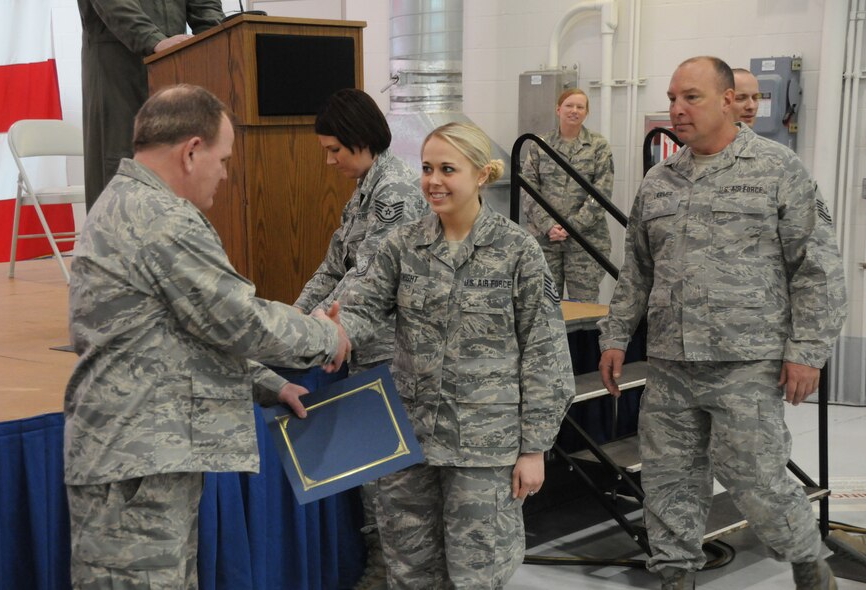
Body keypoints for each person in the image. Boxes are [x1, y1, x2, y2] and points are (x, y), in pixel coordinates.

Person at [64, 84, 351, 589]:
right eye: (222, 159)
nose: (223, 173)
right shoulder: (162, 218)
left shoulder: (129, 203)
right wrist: (327, 336)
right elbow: (239, 319)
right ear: (191, 151)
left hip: (139, 457)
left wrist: (270, 384)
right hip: (138, 463)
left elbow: (184, 332)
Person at [598, 56, 847, 590]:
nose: (677, 109)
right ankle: (674, 575)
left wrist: (807, 349)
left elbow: (818, 265)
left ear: (730, 100)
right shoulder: (659, 181)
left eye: (692, 97)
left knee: (757, 480)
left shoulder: (777, 169)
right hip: (669, 363)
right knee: (668, 480)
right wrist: (616, 335)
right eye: (671, 98)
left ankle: (809, 565)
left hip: (746, 362)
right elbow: (637, 269)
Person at [336, 122, 575, 588]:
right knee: (409, 569)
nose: (433, 181)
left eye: (448, 169)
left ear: (482, 174)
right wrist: (326, 331)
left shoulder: (517, 250)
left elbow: (545, 354)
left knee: (476, 572)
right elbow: (359, 310)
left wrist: (535, 448)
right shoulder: (402, 245)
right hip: (410, 440)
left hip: (484, 448)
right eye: (426, 169)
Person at [293, 87, 428, 590]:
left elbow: (365, 281)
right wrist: (295, 318)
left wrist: (309, 328)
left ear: (361, 139)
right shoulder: (365, 189)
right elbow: (332, 268)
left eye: (334, 149)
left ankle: (391, 573)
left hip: (385, 352)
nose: (329, 160)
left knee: (388, 481)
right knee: (370, 474)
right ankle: (380, 567)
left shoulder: (393, 192)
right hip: (358, 347)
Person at [77, 0, 224, 212]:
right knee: (119, 162)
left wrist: (216, 39)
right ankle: (116, 243)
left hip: (174, 64)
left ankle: (167, 240)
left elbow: (206, 6)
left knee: (173, 163)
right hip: (117, 70)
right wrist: (155, 41)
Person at [522, 88, 614, 302]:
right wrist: (548, 226)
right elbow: (528, 190)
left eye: (580, 107)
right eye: (569, 106)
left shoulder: (598, 146)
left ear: (586, 112)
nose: (574, 111)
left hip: (586, 241)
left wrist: (572, 227)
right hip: (546, 239)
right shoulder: (539, 145)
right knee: (544, 303)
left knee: (584, 305)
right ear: (558, 110)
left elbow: (602, 192)